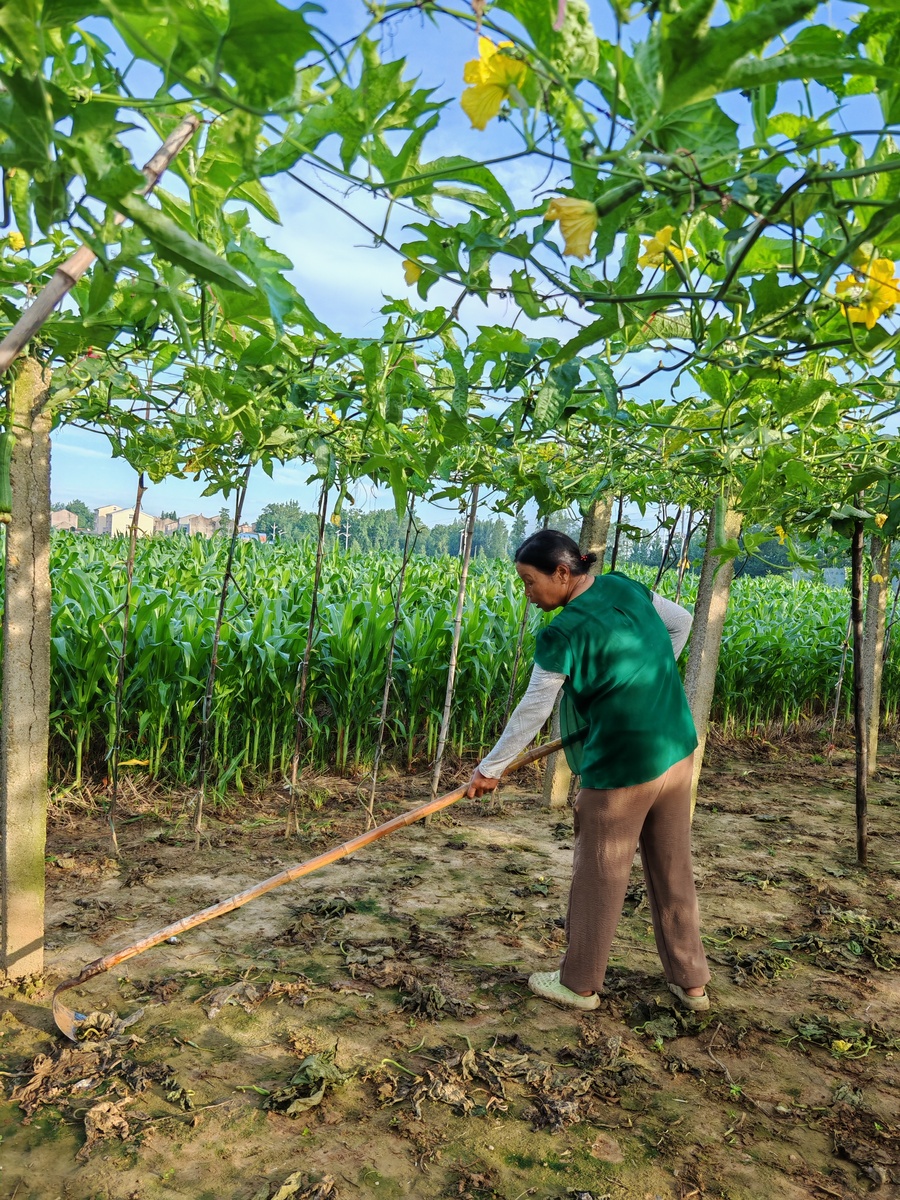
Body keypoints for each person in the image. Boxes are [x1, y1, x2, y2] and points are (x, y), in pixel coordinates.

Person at [466, 529, 710, 1013]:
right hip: (676, 749)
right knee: (672, 867)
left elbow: (534, 709)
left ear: (562, 572)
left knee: (600, 871)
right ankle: (692, 983)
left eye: (530, 582)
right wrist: (645, 681)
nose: (528, 593)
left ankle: (578, 985)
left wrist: (490, 768)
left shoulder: (563, 631)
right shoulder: (623, 586)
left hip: (623, 766)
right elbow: (679, 624)